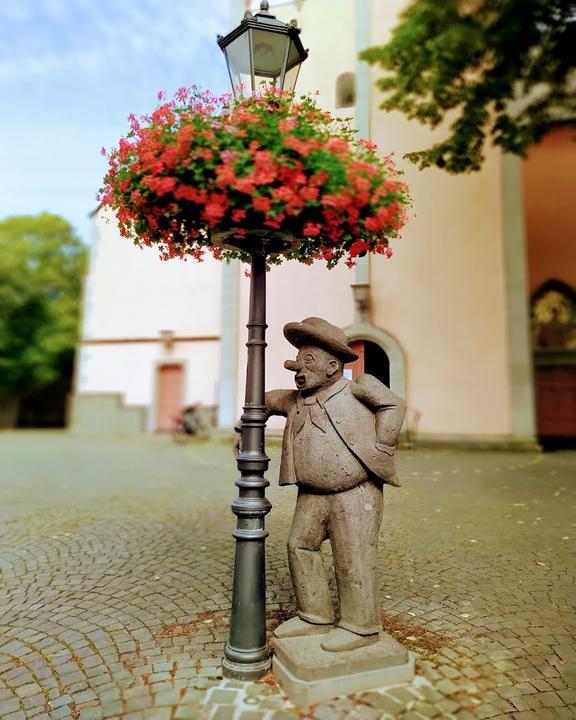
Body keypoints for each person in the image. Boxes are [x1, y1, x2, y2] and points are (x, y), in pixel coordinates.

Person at [264, 317, 406, 652]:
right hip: (311, 495)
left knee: (353, 556)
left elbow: (393, 405)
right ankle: (315, 616)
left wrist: (383, 445)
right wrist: (244, 426)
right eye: (298, 362)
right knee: (300, 546)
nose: (299, 369)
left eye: (308, 361)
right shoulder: (294, 400)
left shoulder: (358, 388)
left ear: (333, 365)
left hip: (355, 493)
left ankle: (361, 628)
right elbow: (260, 400)